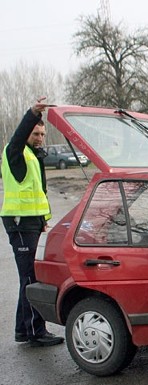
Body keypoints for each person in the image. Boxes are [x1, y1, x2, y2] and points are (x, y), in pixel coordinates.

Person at [1, 98, 63, 347]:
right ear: (26, 132)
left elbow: (39, 193)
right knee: (31, 279)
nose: (40, 137)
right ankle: (36, 331)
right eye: (35, 133)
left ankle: (22, 330)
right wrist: (31, 113)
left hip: (32, 223)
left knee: (29, 278)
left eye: (42, 134)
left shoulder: (34, 157)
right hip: (20, 223)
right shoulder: (15, 153)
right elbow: (17, 139)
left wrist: (43, 221)